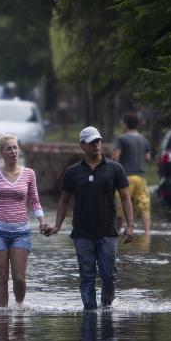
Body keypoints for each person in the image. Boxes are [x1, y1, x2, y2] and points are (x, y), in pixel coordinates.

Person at [44, 126, 134, 310]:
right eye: (92, 143)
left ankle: (107, 308)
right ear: (82, 146)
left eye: (98, 141)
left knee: (109, 275)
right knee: (87, 275)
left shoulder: (115, 169)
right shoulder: (73, 171)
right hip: (82, 233)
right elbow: (64, 200)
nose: (96, 145)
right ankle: (90, 311)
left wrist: (130, 225)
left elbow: (125, 197)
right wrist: (57, 226)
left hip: (108, 232)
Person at [0, 134, 48, 307]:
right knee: (2, 277)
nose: (13, 151)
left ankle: (19, 308)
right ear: (1, 152)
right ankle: (2, 316)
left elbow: (34, 201)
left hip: (21, 232)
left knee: (19, 278)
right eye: (8, 148)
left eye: (15, 147)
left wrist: (41, 221)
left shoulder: (29, 174)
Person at [112, 112, 151, 235]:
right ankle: (147, 233)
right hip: (141, 178)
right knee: (144, 207)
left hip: (126, 179)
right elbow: (148, 157)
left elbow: (115, 158)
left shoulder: (121, 138)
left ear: (125, 124)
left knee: (120, 208)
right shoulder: (144, 139)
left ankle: (116, 232)